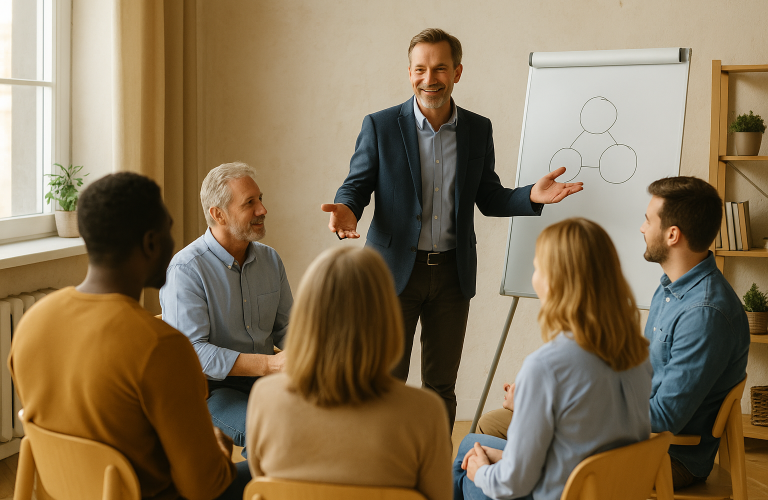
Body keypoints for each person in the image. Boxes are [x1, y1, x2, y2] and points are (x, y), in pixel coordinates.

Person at [322, 28, 583, 429]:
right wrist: (346, 208)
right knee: (385, 381)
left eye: (440, 68)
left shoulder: (478, 129)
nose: (430, 78)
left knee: (441, 386)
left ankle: (433, 473)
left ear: (457, 72)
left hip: (451, 275)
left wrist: (532, 195)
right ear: (409, 73)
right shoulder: (381, 126)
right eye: (421, 69)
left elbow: (489, 197)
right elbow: (357, 184)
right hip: (392, 274)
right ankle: (385, 473)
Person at [8, 172, 250, 500]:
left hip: (67, 491)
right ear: (151, 242)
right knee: (273, 469)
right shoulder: (161, 346)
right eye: (169, 228)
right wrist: (217, 449)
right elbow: (205, 487)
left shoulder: (33, 322)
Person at [453, 218, 652, 500]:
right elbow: (586, 444)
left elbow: (511, 486)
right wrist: (502, 458)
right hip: (605, 488)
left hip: (563, 493)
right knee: (472, 445)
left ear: (556, 281)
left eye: (537, 268)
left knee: (467, 468)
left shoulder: (545, 367)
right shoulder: (638, 352)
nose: (534, 278)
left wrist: (481, 472)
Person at [246, 247, 452, 500]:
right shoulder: (424, 411)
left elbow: (262, 482)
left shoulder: (266, 397)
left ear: (305, 316)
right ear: (386, 317)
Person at [160, 162, 293, 452]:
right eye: (250, 203)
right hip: (211, 390)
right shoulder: (186, 269)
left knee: (335, 418)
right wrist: (270, 365)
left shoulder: (271, 260)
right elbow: (192, 352)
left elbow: (288, 328)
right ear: (217, 214)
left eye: (260, 199)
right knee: (275, 437)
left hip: (267, 382)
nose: (262, 210)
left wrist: (318, 355)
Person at [640, 176, 749, 489]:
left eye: (648, 220)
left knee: (509, 455)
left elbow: (662, 418)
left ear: (672, 234)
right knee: (496, 431)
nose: (642, 228)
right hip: (637, 438)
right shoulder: (669, 290)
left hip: (668, 457)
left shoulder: (704, 315)